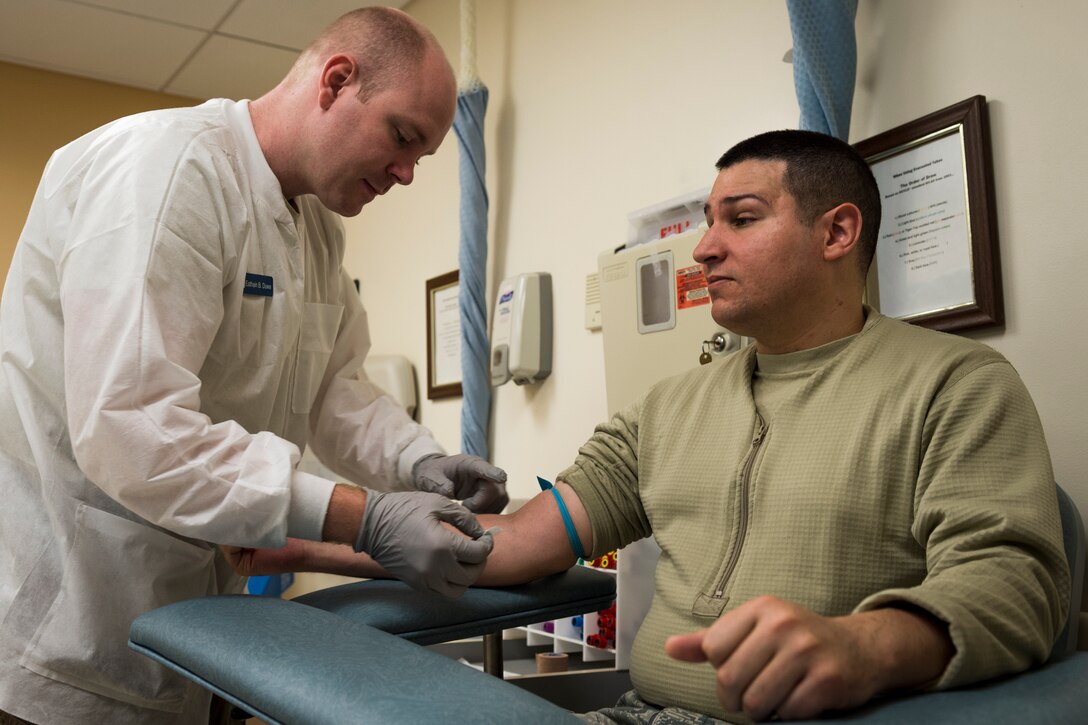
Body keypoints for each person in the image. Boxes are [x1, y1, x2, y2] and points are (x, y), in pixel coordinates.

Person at [231, 129, 1070, 723]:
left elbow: (1017, 588)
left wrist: (862, 645)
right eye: (708, 221)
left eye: (740, 219)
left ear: (837, 233)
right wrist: (302, 546)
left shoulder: (954, 386)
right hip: (644, 713)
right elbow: (512, 544)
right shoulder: (670, 408)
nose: (704, 248)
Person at [0, 7, 508, 725]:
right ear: (336, 81)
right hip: (63, 641)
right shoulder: (169, 173)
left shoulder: (314, 234)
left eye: (422, 157)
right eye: (402, 138)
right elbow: (132, 427)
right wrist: (363, 517)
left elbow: (334, 387)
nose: (405, 173)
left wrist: (419, 462)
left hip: (194, 634)